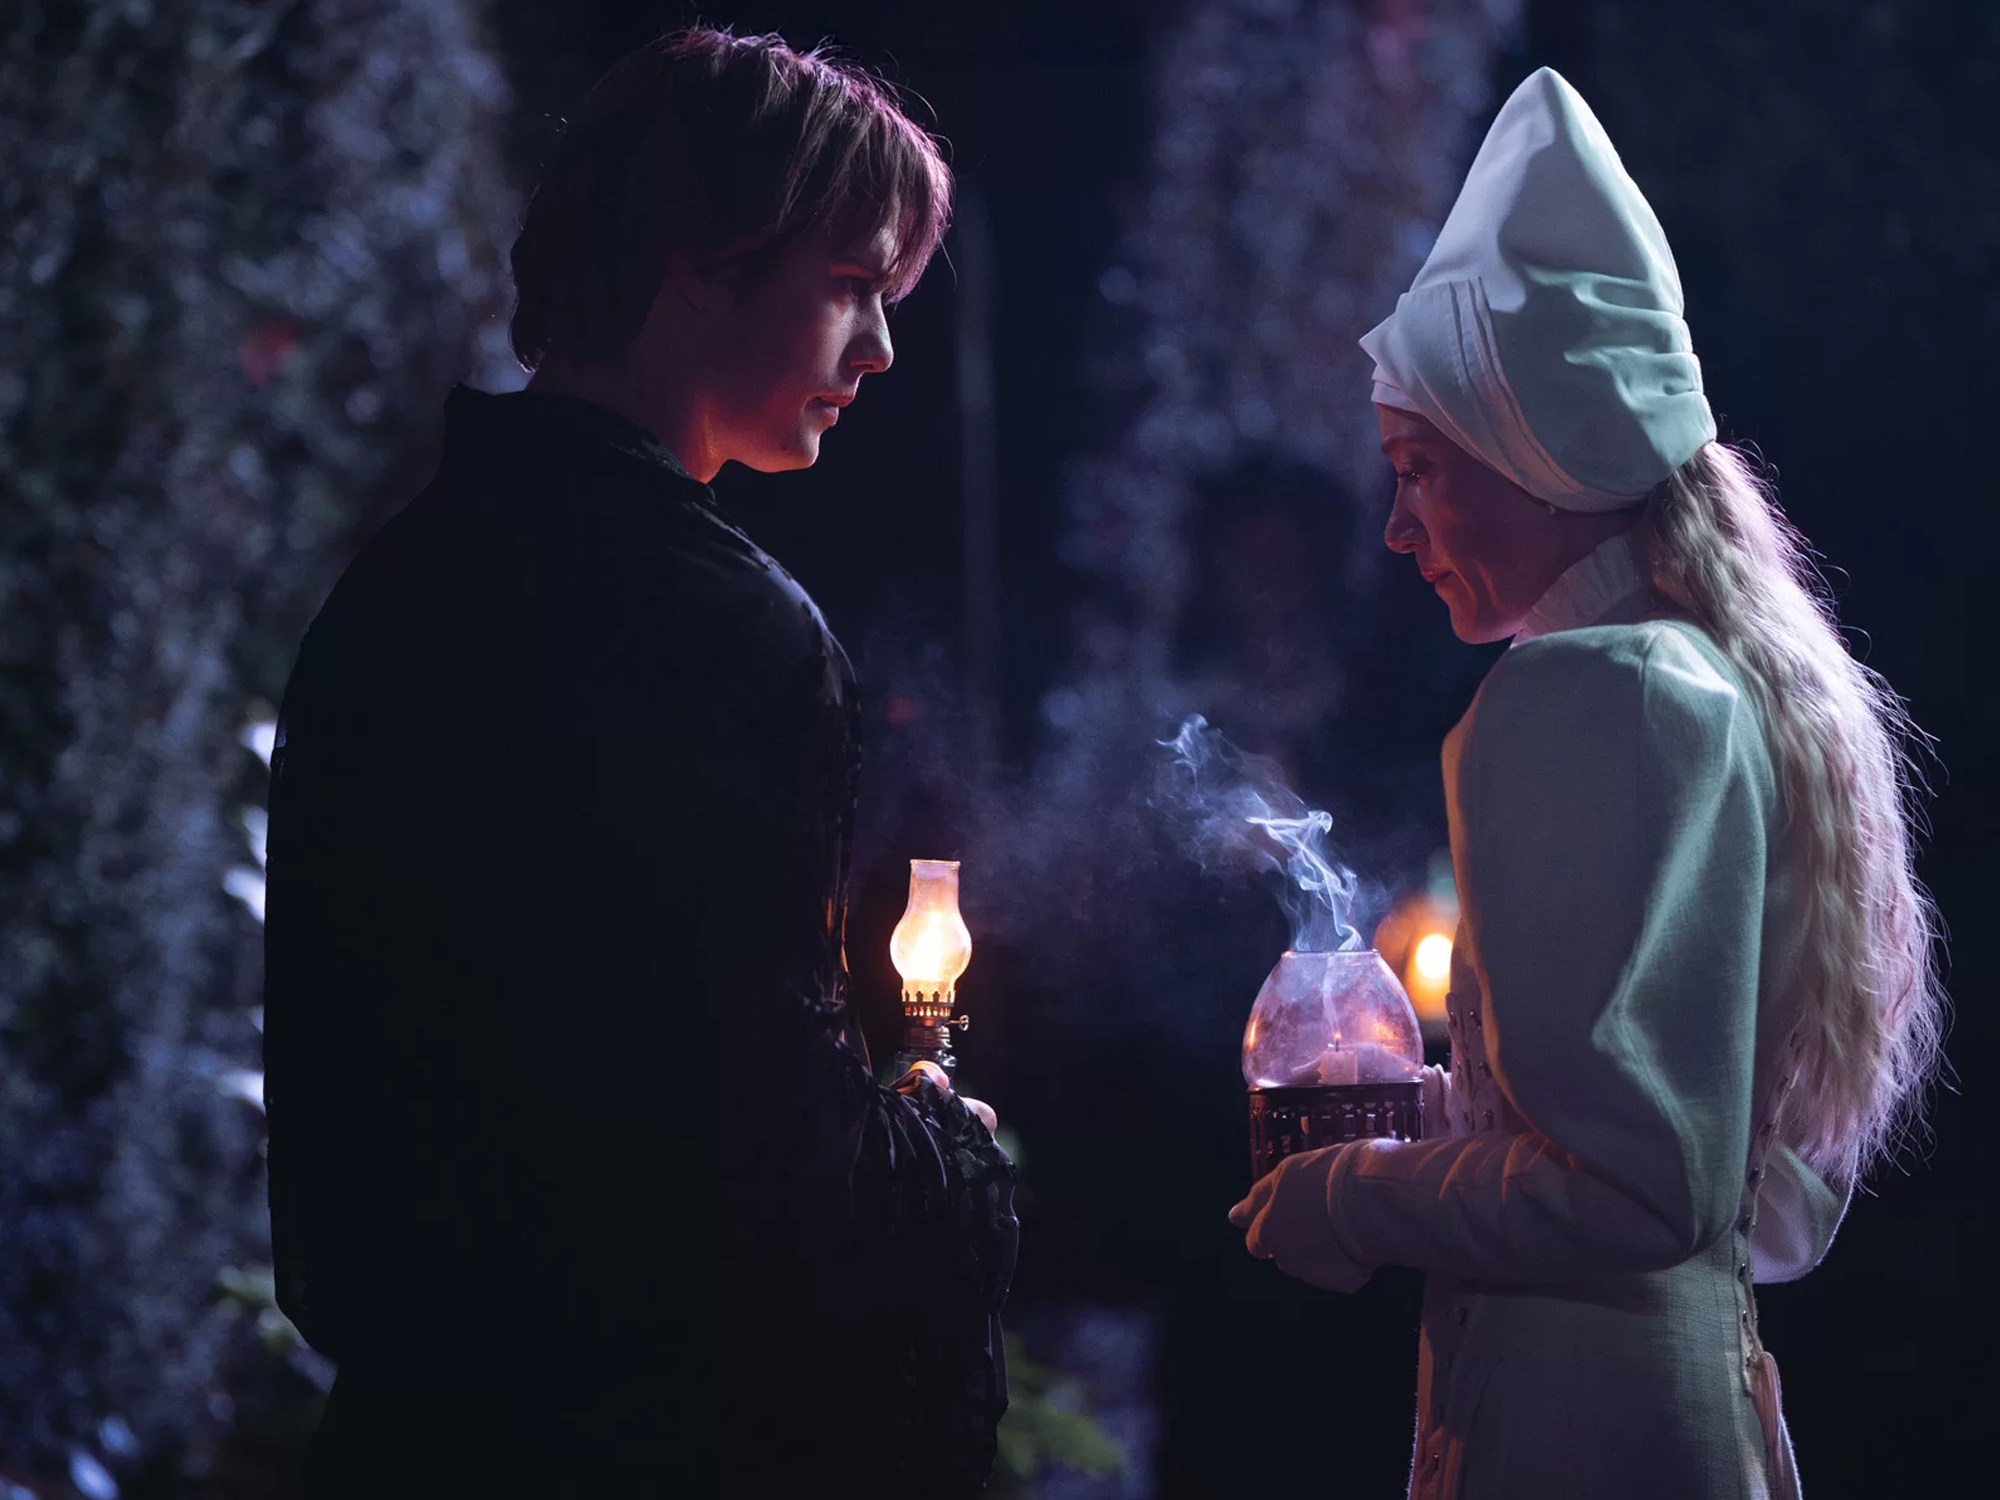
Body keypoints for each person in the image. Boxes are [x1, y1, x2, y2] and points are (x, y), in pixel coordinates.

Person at [262, 29, 1016, 1497]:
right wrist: (947, 1152)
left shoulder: (394, 587)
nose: (880, 350)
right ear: (701, 261)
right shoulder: (726, 625)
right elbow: (759, 1160)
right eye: (853, 287)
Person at [1229, 68, 1944, 1500]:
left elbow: (1633, 1189)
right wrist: (1453, 1120)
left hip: (1574, 1438)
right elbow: (1759, 1198)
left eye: (1422, 468)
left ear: (1538, 460)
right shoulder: (1704, 674)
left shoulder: (1580, 695)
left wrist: (1349, 1192)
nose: (1394, 524)